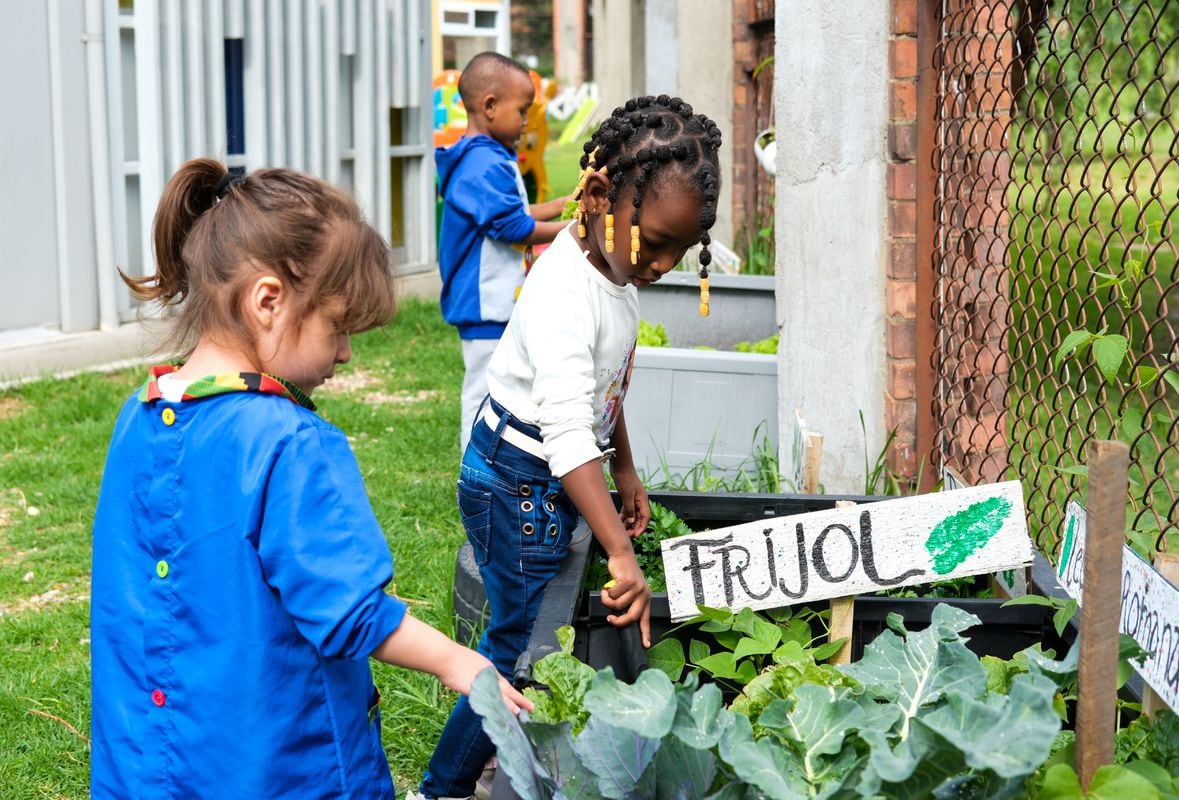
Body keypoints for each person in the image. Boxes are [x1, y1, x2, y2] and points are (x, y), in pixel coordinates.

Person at [89, 158, 532, 800]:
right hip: (281, 770)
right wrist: (458, 660)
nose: (346, 354)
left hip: (151, 769)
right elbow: (349, 613)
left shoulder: (139, 415)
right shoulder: (288, 440)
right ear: (268, 301)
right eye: (338, 327)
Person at [418, 95, 722, 800]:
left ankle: (500, 753)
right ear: (595, 197)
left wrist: (624, 466)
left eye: (683, 247)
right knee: (513, 646)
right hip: (516, 475)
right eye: (657, 240)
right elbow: (562, 433)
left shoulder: (615, 268)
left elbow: (603, 384)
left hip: (551, 471)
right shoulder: (564, 292)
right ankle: (443, 789)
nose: (665, 263)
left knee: (535, 629)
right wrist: (619, 550)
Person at [437, 51, 572, 452]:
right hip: (485, 305)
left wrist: (565, 203)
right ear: (490, 106)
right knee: (482, 395)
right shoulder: (480, 164)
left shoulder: (490, 156)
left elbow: (511, 213)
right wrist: (578, 228)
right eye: (523, 109)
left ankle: (497, 465)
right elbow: (513, 227)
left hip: (499, 302)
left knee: (503, 389)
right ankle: (473, 475)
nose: (527, 120)